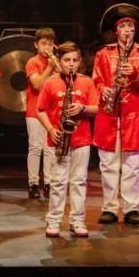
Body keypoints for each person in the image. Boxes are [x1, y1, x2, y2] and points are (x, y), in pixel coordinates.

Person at [92, 3, 139, 226]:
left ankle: (131, 208)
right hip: (108, 114)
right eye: (123, 26)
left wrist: (136, 73)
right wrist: (104, 90)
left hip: (134, 116)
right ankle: (109, 207)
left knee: (133, 165)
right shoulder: (103, 54)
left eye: (131, 25)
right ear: (116, 30)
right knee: (108, 164)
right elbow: (96, 80)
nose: (127, 29)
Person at [35, 41, 98, 237]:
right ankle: (53, 220)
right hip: (58, 139)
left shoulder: (87, 82)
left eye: (75, 60)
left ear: (80, 62)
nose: (71, 64)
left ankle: (77, 220)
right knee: (58, 182)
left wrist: (83, 108)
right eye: (66, 60)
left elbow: (96, 108)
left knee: (79, 181)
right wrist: (51, 129)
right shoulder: (50, 83)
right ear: (60, 62)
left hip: (81, 140)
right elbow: (40, 110)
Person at [25, 27, 59, 198]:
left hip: (51, 112)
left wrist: (58, 69)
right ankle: (33, 184)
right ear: (36, 45)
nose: (47, 47)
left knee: (50, 149)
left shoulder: (56, 62)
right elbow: (37, 84)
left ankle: (48, 183)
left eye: (51, 44)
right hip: (34, 111)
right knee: (35, 148)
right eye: (44, 44)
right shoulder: (32, 62)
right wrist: (49, 68)